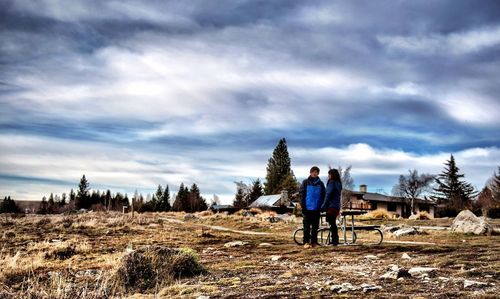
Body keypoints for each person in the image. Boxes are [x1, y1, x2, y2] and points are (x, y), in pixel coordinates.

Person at [300, 166, 326, 248]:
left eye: (316, 172)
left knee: (315, 227)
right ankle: (306, 242)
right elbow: (302, 194)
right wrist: (303, 205)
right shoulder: (305, 182)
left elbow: (323, 196)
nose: (315, 173)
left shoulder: (321, 184)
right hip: (307, 209)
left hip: (316, 209)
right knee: (306, 227)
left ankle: (314, 242)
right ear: (310, 173)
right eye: (313, 172)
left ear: (318, 173)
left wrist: (322, 206)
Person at [322, 169, 342, 246]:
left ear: (332, 175)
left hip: (331, 206)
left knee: (332, 223)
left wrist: (323, 205)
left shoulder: (332, 183)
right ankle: (334, 239)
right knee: (333, 223)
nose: (328, 176)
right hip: (336, 206)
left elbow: (328, 195)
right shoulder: (339, 183)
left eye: (329, 174)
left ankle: (334, 240)